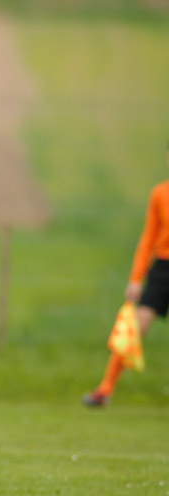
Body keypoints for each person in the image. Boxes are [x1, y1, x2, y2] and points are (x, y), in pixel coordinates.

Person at [84, 145, 169, 407]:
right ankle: (105, 389)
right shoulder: (160, 193)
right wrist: (135, 278)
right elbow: (148, 238)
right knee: (135, 328)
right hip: (163, 269)